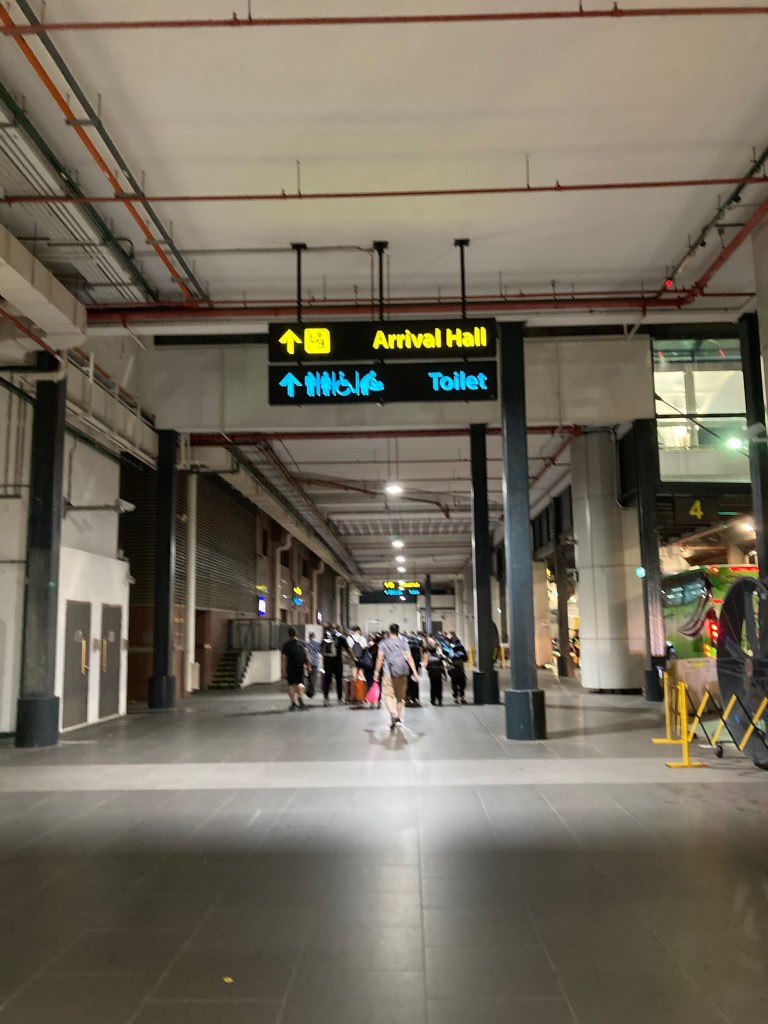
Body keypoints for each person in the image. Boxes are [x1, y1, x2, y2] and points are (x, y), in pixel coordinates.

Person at [373, 622, 419, 732]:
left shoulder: (384, 643)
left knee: (388, 696)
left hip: (388, 673)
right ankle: (398, 718)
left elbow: (380, 659)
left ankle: (392, 714)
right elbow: (409, 658)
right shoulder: (404, 643)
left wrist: (376, 672)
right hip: (402, 673)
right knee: (400, 698)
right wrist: (415, 672)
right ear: (398, 631)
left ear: (390, 631)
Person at [281, 627, 310, 711]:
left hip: (290, 668)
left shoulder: (286, 645)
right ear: (297, 634)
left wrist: (283, 670)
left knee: (291, 685)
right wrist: (308, 666)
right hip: (300, 667)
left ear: (289, 635)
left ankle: (293, 704)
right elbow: (307, 656)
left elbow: (284, 659)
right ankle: (300, 696)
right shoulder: (303, 643)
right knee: (301, 683)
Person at [321, 624, 344, 706]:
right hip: (338, 663)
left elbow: (321, 650)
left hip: (327, 663)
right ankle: (340, 698)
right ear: (336, 629)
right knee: (339, 681)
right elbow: (347, 648)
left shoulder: (325, 637)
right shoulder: (340, 637)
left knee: (327, 681)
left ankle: (326, 699)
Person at [346, 624, 367, 704]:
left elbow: (348, 650)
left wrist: (352, 658)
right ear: (358, 630)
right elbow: (365, 649)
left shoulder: (349, 638)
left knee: (354, 678)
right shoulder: (363, 639)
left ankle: (354, 697)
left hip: (353, 660)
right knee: (361, 677)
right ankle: (362, 696)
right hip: (362, 660)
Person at [446, 630, 468, 704]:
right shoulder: (462, 648)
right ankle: (462, 697)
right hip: (460, 669)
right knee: (462, 683)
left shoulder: (450, 649)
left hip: (453, 669)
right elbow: (465, 659)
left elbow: (448, 659)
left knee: (454, 683)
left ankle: (455, 697)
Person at [425, 636, 446, 706]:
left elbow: (427, 667)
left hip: (432, 675)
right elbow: (442, 667)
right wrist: (444, 675)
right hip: (438, 674)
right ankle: (439, 699)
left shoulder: (429, 659)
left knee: (432, 686)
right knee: (439, 686)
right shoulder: (439, 658)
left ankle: (433, 700)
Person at [406, 632, 425, 707]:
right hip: (415, 669)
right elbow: (420, 659)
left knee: (408, 683)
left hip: (408, 669)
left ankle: (408, 697)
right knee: (415, 683)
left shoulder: (407, 648)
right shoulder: (418, 648)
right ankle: (415, 698)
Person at [306, 631, 321, 698]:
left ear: (309, 637)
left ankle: (310, 691)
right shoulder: (317, 644)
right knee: (313, 677)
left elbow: (306, 654)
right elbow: (320, 651)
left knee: (310, 676)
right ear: (314, 636)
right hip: (315, 662)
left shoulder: (307, 644)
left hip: (308, 662)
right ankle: (311, 691)